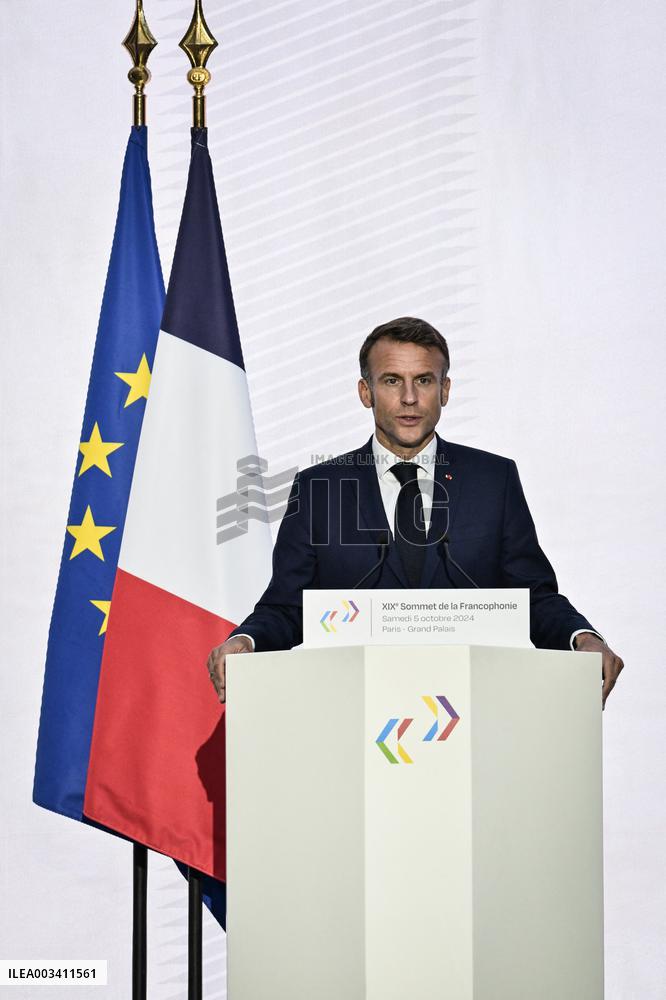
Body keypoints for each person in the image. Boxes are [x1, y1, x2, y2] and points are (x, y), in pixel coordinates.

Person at [207, 317, 623, 706]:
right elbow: (287, 606)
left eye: (423, 380)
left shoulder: (493, 480)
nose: (409, 398)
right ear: (365, 392)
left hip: (471, 710)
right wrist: (246, 642)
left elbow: (533, 597)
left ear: (445, 390)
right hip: (353, 710)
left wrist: (581, 639)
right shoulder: (320, 489)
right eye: (392, 381)